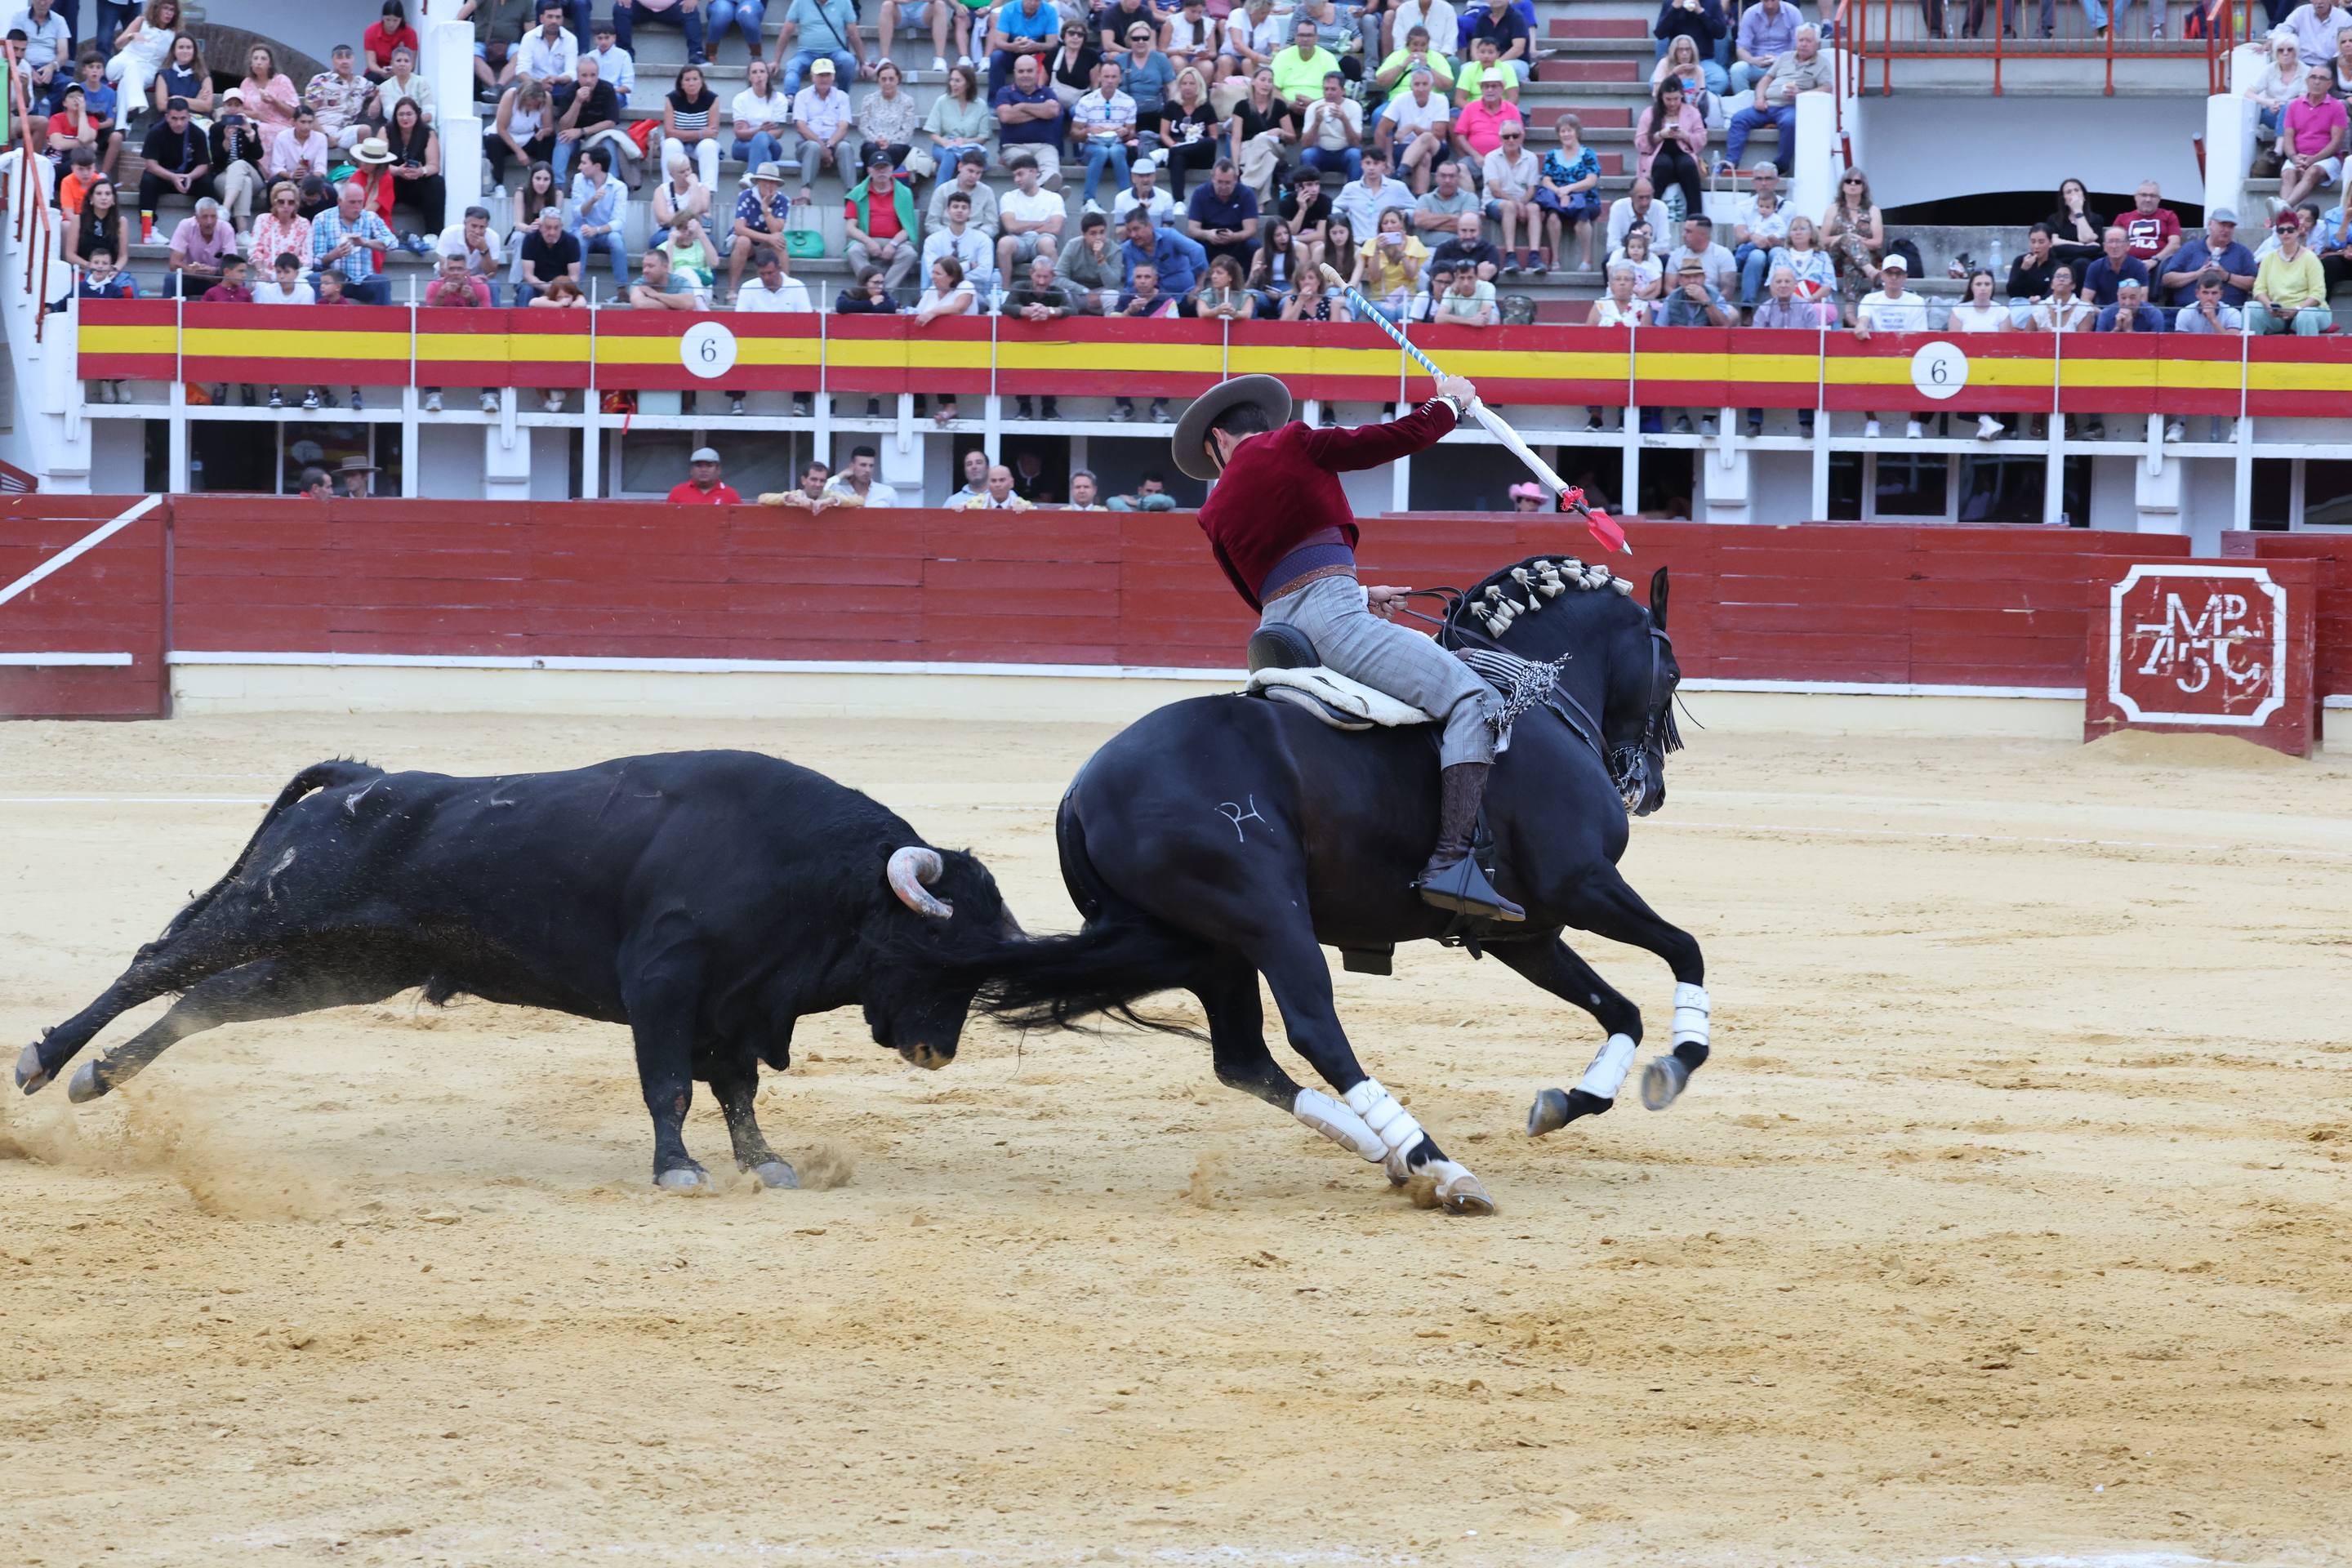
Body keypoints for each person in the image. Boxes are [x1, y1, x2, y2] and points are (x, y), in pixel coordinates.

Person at [1174, 372, 1517, 920]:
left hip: (1279, 638)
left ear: (1217, 440)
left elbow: (1261, 592)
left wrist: (1359, 593)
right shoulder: (1289, 442)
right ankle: (1451, 861)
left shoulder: (1211, 512)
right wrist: (1450, 404)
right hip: (1334, 621)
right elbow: (1392, 440)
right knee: (1475, 699)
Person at [1724, 23, 1828, 178]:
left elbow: (1827, 88)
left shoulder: (1822, 63)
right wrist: (1759, 98)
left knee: (1790, 122)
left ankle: (1781, 166)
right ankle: (1730, 163)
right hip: (1768, 105)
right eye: (1801, 40)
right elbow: (1766, 79)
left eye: (1808, 41)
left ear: (1817, 43)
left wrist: (1801, 94)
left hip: (1791, 106)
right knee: (1739, 118)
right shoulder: (1785, 57)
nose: (1804, 44)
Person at [1743, 264, 1832, 435]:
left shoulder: (1807, 308)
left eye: (1787, 281)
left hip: (1800, 360)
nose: (1783, 285)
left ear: (1795, 284)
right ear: (1772, 286)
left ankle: (1806, 423)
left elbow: (1812, 339)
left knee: (1811, 371)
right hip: (1770, 360)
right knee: (1752, 371)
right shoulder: (1764, 308)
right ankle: (1754, 423)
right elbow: (1755, 340)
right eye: (1779, 281)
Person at [1852, 253, 1931, 439]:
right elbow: (1863, 320)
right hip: (1876, 357)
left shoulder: (1916, 302)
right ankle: (1872, 420)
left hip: (1907, 356)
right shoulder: (1870, 299)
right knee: (1860, 366)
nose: (1894, 278)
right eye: (1890, 273)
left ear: (1905, 277)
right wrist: (1861, 326)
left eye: (1898, 273)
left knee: (1922, 366)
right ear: (1883, 276)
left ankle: (1914, 421)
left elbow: (1919, 336)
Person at [844, 147, 920, 293]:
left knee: (909, 254)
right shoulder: (857, 193)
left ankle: (885, 294)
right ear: (869, 171)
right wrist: (869, 241)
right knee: (854, 251)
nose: (881, 172)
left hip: (895, 241)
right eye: (877, 168)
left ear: (892, 169)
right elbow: (850, 228)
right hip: (867, 239)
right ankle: (869, 291)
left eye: (885, 168)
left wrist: (893, 244)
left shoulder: (904, 193)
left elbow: (908, 228)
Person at [310, 180, 395, 305]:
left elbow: (392, 242)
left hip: (362, 280)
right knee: (314, 279)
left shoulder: (370, 217)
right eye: (352, 202)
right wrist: (333, 255)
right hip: (333, 280)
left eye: (360, 202)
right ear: (340, 201)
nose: (357, 207)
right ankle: (316, 322)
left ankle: (384, 323)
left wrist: (365, 242)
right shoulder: (322, 219)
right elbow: (316, 261)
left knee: (381, 282)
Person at [136, 96, 212, 235]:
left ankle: (208, 225)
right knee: (147, 180)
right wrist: (172, 177)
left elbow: (204, 165)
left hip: (189, 178)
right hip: (164, 176)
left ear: (189, 117)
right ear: (167, 117)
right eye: (174, 119)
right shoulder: (155, 132)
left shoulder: (198, 133)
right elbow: (151, 164)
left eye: (183, 119)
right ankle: (149, 229)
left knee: (206, 182)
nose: (179, 123)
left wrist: (190, 176)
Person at [1635, 81, 1706, 224]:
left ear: (1682, 96)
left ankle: (1696, 217)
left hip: (1683, 152)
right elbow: (1640, 142)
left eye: (1676, 99)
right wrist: (1660, 135)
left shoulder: (1692, 112)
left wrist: (1685, 136)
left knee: (1688, 166)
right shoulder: (1650, 113)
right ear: (1661, 97)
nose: (1672, 103)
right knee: (1663, 165)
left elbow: (1702, 138)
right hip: (1657, 153)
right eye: (1668, 99)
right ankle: (1649, 214)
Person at [2278, 65, 2347, 212]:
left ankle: (2283, 210)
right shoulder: (2294, 105)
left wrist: (2313, 159)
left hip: (2327, 159)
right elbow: (2288, 137)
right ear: (2307, 81)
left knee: (2313, 172)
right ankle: (2286, 214)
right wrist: (2293, 157)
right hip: (2298, 156)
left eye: (2322, 78)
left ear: (2329, 84)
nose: (2317, 82)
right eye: (2313, 77)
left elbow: (2336, 143)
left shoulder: (2337, 107)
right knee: (2288, 174)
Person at [2249, 212, 2328, 333]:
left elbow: (2318, 294)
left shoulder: (2310, 259)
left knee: (2305, 316)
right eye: (2281, 230)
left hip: (2309, 311)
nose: (2285, 233)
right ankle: (2252, 351)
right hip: (2278, 315)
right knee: (2251, 308)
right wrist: (2268, 304)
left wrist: (2297, 309)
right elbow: (2259, 289)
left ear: (2298, 231)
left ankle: (2309, 352)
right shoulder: (2269, 259)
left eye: (2290, 230)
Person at [1076, 56, 1138, 206]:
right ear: (1099, 77)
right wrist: (1089, 131)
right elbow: (1074, 134)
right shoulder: (1086, 101)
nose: (1110, 81)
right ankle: (1089, 200)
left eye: (1114, 77)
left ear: (1120, 79)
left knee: (1116, 151)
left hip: (1117, 144)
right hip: (1092, 146)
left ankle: (1127, 200)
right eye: (1106, 76)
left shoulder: (1128, 102)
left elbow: (1132, 134)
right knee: (1101, 151)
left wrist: (1125, 132)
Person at [1480, 116, 1540, 273]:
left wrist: (1522, 203)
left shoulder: (1531, 158)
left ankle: (1534, 256)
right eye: (1507, 136)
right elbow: (1495, 190)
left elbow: (1532, 189)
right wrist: (1517, 204)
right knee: (1508, 207)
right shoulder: (1491, 157)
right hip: (1496, 202)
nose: (1511, 139)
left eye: (1515, 135)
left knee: (1535, 209)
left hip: (1522, 202)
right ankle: (1510, 255)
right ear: (1500, 138)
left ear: (1522, 136)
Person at [995, 53, 1065, 187]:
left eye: (1029, 71)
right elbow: (1006, 116)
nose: (1025, 75)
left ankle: (1047, 193)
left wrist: (1022, 107)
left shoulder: (1047, 92)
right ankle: (1054, 197)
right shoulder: (1005, 92)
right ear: (1015, 73)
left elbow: (1053, 111)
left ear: (1037, 72)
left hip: (1045, 147)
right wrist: (1041, 112)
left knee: (1052, 173)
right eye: (1021, 71)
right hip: (1013, 147)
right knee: (1027, 170)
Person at [2160, 208, 2255, 305]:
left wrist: (2226, 276)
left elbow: (2254, 284)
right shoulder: (2190, 249)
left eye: (2230, 226)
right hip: (2188, 312)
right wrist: (2197, 274)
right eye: (2222, 225)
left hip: (2229, 314)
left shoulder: (2242, 252)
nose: (2226, 230)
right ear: (2210, 224)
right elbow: (2167, 279)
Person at [726, 160, 792, 299]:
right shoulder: (746, 196)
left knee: (780, 242)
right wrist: (768, 238)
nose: (769, 185)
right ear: (758, 182)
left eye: (772, 182)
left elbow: (777, 230)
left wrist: (766, 211)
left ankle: (788, 290)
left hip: (768, 245)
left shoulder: (782, 200)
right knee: (743, 241)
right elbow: (739, 228)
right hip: (747, 241)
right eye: (765, 182)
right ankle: (731, 291)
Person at [1186, 156, 1261, 272]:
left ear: (1235, 180)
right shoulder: (1200, 193)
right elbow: (1192, 229)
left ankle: (1247, 285)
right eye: (1220, 182)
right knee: (1191, 245)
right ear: (1212, 179)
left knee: (1253, 245)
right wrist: (1207, 234)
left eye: (1228, 183)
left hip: (1236, 242)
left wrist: (1234, 237)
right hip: (1209, 241)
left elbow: (1251, 230)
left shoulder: (1246, 194)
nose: (1223, 187)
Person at [996, 153, 1064, 279]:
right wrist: (1040, 223)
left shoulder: (1054, 198)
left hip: (1041, 239)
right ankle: (1005, 291)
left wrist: (1021, 225)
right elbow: (1011, 227)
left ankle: (1056, 288)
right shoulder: (1009, 197)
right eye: (1014, 176)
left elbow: (1055, 228)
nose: (1016, 179)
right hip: (1018, 241)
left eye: (1020, 174)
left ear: (1033, 172)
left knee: (1047, 243)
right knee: (1004, 243)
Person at [662, 62, 725, 188]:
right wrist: (700, 133)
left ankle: (708, 191)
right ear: (681, 83)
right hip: (679, 145)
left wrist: (682, 134)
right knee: (670, 144)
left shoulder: (712, 99)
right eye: (687, 80)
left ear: (701, 82)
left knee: (709, 145)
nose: (691, 83)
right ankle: (669, 189)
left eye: (695, 79)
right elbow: (669, 133)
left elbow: (712, 133)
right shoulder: (671, 99)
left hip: (700, 146)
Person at [778, 0, 862, 94]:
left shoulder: (844, 2)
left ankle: (842, 96)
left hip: (836, 52)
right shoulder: (800, 2)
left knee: (848, 61)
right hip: (807, 53)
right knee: (792, 66)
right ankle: (790, 100)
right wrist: (776, 61)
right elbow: (786, 31)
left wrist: (863, 64)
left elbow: (853, 34)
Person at [1298, 69, 1362, 181]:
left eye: (1333, 89)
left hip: (1344, 152)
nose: (1329, 93)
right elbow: (1305, 144)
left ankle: (1354, 195)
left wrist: (1344, 119)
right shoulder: (1314, 107)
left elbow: (1356, 143)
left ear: (1343, 91)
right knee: (1307, 155)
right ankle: (1309, 194)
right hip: (1321, 152)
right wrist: (1317, 122)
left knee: (1355, 155)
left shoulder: (1354, 107)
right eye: (1326, 89)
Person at [612, 0, 710, 74]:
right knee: (620, 9)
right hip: (639, 7)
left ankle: (696, 54)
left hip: (673, 8)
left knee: (691, 11)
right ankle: (624, 54)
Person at [1058, 208, 1125, 310]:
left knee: (1112, 295)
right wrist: (1085, 291)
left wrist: (1100, 259)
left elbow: (1113, 284)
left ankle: (1110, 326)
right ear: (1084, 234)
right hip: (1078, 293)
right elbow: (1058, 278)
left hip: (1101, 294)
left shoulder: (1114, 250)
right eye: (1093, 233)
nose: (1098, 237)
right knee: (1063, 292)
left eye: (1102, 232)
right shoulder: (1073, 245)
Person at [516, 201, 583, 302]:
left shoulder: (572, 242)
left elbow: (574, 277)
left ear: (562, 226)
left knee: (573, 295)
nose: (552, 232)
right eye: (548, 227)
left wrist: (557, 287)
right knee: (526, 290)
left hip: (562, 287)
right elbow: (528, 275)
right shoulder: (530, 240)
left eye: (556, 228)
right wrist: (545, 286)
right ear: (541, 226)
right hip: (536, 285)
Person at [928, 147, 1002, 236]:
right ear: (960, 167)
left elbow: (992, 224)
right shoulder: (943, 190)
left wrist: (974, 237)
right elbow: (931, 223)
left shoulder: (987, 192)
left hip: (976, 238)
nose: (974, 176)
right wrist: (950, 235)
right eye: (970, 171)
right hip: (946, 236)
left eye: (978, 173)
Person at [2082, 225, 2149, 305]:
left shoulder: (2139, 267)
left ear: (2128, 246)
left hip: (2131, 313)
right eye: (2110, 241)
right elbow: (2085, 300)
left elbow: (2143, 301)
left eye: (2118, 241)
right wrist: (2104, 314)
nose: (2114, 246)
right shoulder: (2095, 267)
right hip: (2102, 314)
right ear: (2104, 247)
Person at [2172, 267, 2245, 335]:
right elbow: (2180, 343)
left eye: (2214, 293)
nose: (2209, 298)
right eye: (2205, 293)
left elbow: (2233, 343)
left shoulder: (2232, 313)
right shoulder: (2185, 313)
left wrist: (2213, 320)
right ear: (2197, 294)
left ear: (2221, 294)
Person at [824, 443, 901, 506]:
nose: (868, 470)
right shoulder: (839, 491)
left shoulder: (887, 492)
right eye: (863, 465)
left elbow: (898, 520)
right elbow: (821, 491)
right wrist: (841, 475)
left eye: (871, 466)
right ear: (852, 466)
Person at [2027, 263, 2096, 332]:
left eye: (2066, 277)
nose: (2061, 279)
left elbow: (2083, 340)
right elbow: (2025, 337)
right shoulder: (2039, 308)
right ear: (2052, 285)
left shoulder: (2083, 309)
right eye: (2058, 276)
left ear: (2073, 285)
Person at [630, 246, 703, 310]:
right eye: (644, 266)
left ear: (665, 267)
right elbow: (640, 304)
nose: (645, 271)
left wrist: (655, 294)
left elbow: (689, 303)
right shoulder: (639, 283)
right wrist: (676, 306)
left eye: (651, 266)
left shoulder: (681, 282)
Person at [670, 447, 742, 505]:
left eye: (709, 466)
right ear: (691, 470)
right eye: (699, 466)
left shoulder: (730, 495)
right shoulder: (677, 492)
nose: (704, 470)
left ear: (718, 470)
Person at [762, 459, 842, 510]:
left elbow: (854, 499)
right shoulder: (796, 495)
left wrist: (830, 501)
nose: (818, 484)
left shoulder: (829, 496)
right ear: (803, 480)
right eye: (813, 479)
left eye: (822, 481)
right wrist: (794, 499)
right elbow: (763, 498)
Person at [956, 462, 1036, 510]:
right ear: (988, 484)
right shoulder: (974, 504)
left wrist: (1026, 515)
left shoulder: (1024, 507)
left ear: (1011, 483)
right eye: (993, 481)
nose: (997, 485)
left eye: (1002, 480)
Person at [2096, 278, 2163, 333]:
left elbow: (2156, 346)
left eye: (2132, 298)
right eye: (2123, 298)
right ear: (2118, 296)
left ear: (2140, 297)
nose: (2127, 303)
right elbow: (2098, 344)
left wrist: (2129, 331)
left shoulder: (2154, 314)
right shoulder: (2106, 313)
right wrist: (2116, 329)